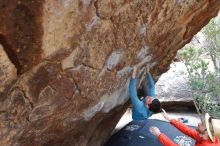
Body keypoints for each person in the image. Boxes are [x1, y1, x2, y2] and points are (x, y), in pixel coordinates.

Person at [150, 109, 220, 146]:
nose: (199, 123)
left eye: (202, 124)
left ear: (207, 132)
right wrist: (170, 119)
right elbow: (188, 130)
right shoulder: (208, 137)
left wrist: (159, 135)